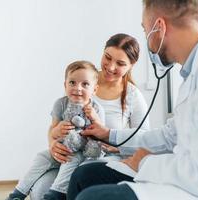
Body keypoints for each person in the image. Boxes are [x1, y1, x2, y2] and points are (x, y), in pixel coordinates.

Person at [67, 0, 198, 200]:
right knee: (84, 176)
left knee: (92, 197)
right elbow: (169, 136)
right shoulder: (196, 71)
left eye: (145, 29)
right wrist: (109, 135)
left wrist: (144, 162)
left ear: (159, 27)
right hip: (188, 178)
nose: (147, 38)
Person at [28, 33, 150, 200]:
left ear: (131, 65)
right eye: (107, 57)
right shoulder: (83, 80)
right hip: (71, 153)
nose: (111, 67)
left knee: (80, 181)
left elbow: (144, 139)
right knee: (41, 189)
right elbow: (56, 123)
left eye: (120, 63)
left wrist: (116, 146)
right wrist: (53, 144)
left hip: (99, 157)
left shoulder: (133, 95)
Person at [7, 60, 106, 200]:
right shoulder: (61, 103)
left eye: (85, 84)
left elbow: (100, 136)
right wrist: (57, 131)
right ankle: (17, 193)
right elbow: (53, 129)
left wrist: (95, 119)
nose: (77, 88)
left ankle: (55, 194)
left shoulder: (97, 109)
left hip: (83, 153)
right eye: (72, 82)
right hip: (63, 146)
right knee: (42, 156)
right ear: (65, 85)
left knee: (69, 159)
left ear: (94, 89)